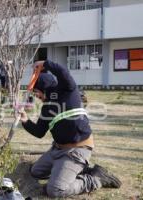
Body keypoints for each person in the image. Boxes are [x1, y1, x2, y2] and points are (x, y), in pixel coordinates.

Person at [18, 60, 121, 197]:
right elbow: (39, 132)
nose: (36, 96)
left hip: (76, 151)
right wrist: (25, 120)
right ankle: (69, 170)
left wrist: (45, 64)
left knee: (55, 190)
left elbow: (62, 72)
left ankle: (96, 179)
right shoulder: (47, 108)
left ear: (44, 87)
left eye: (36, 91)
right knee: (35, 172)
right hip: (57, 150)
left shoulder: (68, 90)